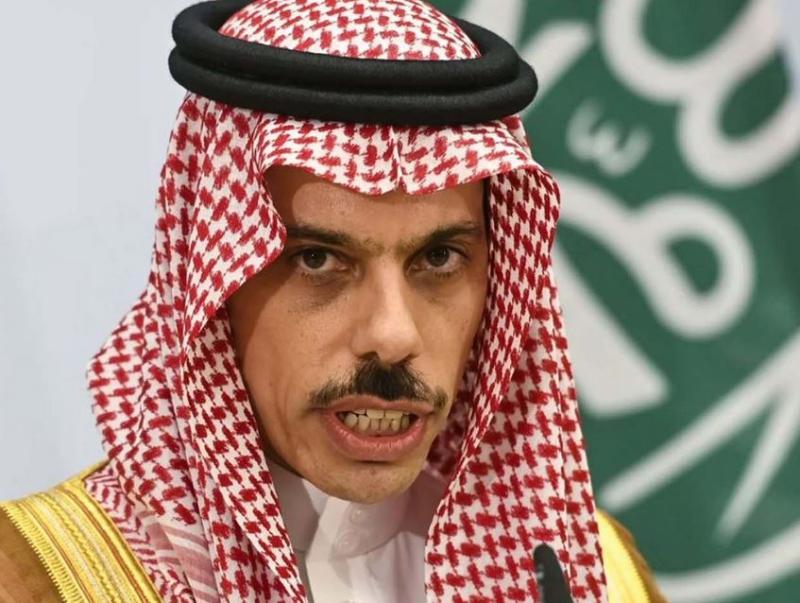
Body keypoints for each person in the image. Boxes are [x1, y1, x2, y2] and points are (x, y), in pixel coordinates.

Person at [0, 0, 665, 601]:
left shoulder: (599, 577)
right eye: (318, 259)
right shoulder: (37, 578)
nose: (393, 334)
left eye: (439, 258)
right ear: (212, 284)